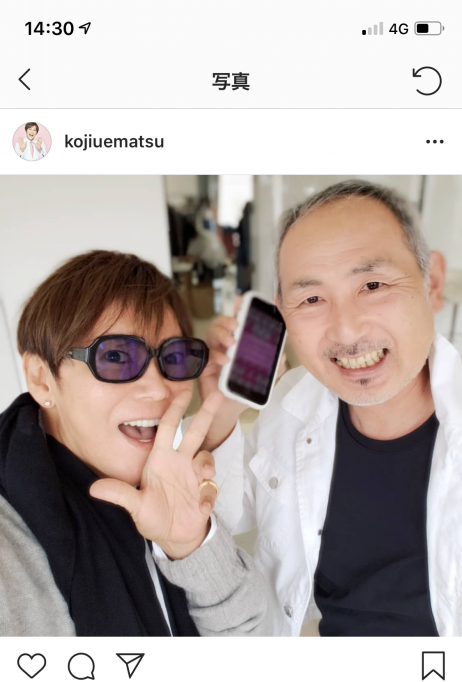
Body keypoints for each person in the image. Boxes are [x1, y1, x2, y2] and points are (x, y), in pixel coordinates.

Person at [199, 179, 462, 637]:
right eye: (312, 299)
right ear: (282, 313)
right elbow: (224, 515)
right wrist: (220, 416)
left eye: (373, 284)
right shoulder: (292, 404)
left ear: (432, 283)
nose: (346, 330)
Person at [0, 250, 270, 637]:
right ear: (43, 379)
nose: (158, 388)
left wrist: (192, 546)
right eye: (114, 356)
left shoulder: (168, 476)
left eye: (173, 357)